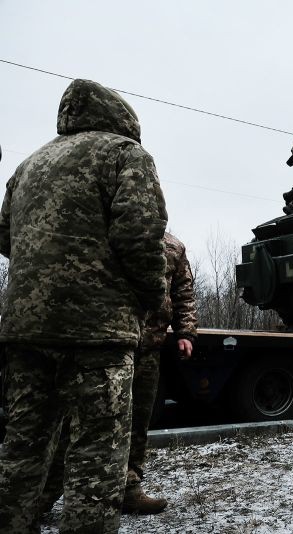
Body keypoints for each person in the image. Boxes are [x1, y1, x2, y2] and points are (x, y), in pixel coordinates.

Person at [0, 79, 168, 532]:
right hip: (98, 331)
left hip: (25, 330)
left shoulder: (27, 165)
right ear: (122, 116)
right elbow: (139, 236)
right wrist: (155, 299)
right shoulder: (123, 155)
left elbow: (5, 238)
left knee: (22, 445)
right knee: (97, 450)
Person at [37, 232, 197, 516]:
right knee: (78, 420)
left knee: (137, 420)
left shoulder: (174, 247)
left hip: (148, 347)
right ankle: (42, 496)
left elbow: (183, 292)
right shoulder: (109, 236)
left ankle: (129, 489)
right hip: (106, 346)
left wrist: (186, 333)